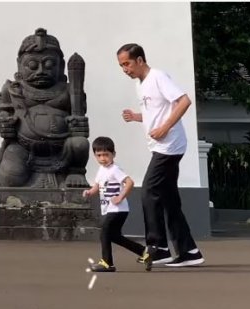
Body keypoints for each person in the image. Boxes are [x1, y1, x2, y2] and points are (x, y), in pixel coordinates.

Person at [116, 43, 204, 267]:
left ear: (140, 60)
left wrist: (165, 128)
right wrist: (137, 116)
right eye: (121, 66)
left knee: (149, 191)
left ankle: (159, 247)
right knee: (168, 200)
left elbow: (184, 101)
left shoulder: (157, 76)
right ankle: (189, 251)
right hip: (160, 147)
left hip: (169, 147)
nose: (125, 69)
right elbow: (154, 112)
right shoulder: (141, 84)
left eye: (127, 64)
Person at [83, 136, 146, 272]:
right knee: (114, 236)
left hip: (118, 209)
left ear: (113, 154)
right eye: (99, 155)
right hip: (110, 209)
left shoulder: (115, 169)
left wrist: (120, 197)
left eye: (106, 154)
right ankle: (144, 252)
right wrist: (89, 192)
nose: (103, 158)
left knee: (104, 232)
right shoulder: (101, 170)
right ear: (95, 156)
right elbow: (97, 186)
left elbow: (130, 182)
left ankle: (107, 263)